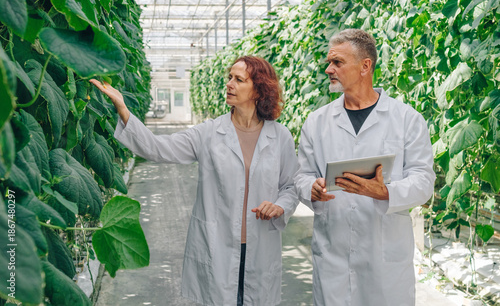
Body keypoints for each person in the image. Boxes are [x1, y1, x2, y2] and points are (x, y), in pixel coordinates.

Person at [90, 56, 299, 306]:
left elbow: (290, 186)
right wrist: (124, 110)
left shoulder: (280, 136)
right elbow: (158, 148)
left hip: (261, 245)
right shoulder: (210, 133)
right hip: (218, 245)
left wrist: (280, 206)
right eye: (229, 78)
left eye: (239, 79)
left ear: (258, 89)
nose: (229, 84)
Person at [294, 29, 436, 306]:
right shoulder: (317, 121)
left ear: (365, 66)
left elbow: (423, 181)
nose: (329, 69)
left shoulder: (406, 119)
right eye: (328, 62)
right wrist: (310, 188)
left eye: (337, 62)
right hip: (333, 253)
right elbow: (301, 175)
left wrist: (386, 192)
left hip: (385, 258)